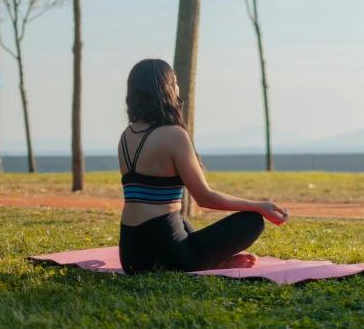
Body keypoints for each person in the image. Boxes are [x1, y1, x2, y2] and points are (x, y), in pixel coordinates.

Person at [118, 58, 289, 274]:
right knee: (252, 221)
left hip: (131, 257)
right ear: (167, 89)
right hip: (167, 256)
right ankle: (208, 261)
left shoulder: (126, 136)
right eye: (175, 82)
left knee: (176, 218)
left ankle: (213, 261)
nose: (178, 88)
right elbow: (204, 197)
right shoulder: (173, 135)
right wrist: (257, 206)